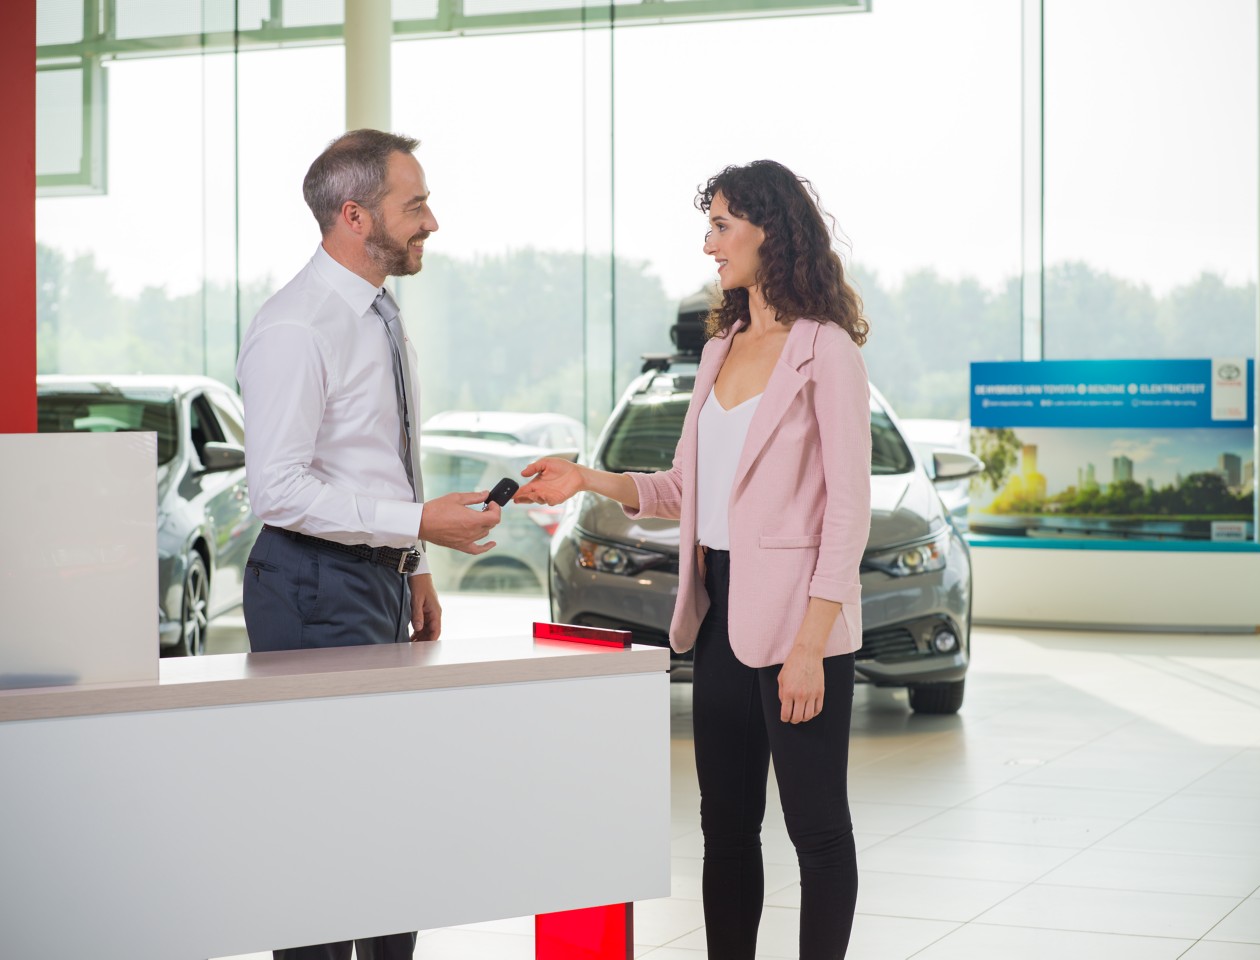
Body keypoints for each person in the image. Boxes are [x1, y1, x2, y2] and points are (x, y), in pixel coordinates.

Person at [516, 159, 871, 959]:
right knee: (726, 831)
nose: (708, 244)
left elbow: (848, 513)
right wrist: (586, 479)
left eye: (720, 225)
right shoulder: (722, 348)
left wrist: (812, 645)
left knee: (816, 830)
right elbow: (684, 486)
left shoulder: (827, 353)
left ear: (768, 231)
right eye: (709, 224)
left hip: (800, 625)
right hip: (718, 618)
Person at [236, 129, 502, 960]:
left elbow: (377, 461)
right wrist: (420, 525)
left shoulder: (378, 315)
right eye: (414, 203)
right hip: (314, 588)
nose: (432, 221)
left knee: (391, 816)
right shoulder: (297, 326)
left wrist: (413, 566)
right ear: (355, 215)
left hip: (375, 582)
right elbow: (277, 490)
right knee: (324, 831)